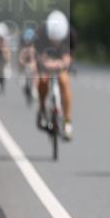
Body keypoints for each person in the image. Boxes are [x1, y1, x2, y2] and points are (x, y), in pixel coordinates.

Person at [35, 10, 76, 140]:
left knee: (64, 81)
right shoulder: (40, 33)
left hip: (60, 60)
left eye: (57, 40)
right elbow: (38, 56)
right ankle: (42, 109)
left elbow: (68, 57)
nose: (55, 42)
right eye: (53, 39)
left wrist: (63, 64)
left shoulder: (71, 35)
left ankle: (67, 122)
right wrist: (44, 64)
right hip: (46, 59)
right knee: (42, 80)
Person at [18, 27, 37, 104]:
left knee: (35, 73)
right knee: (22, 80)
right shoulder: (23, 49)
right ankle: (24, 82)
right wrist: (22, 62)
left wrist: (34, 64)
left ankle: (34, 88)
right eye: (27, 40)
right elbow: (20, 58)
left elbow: (35, 59)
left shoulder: (34, 48)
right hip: (25, 66)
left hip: (32, 66)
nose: (28, 42)